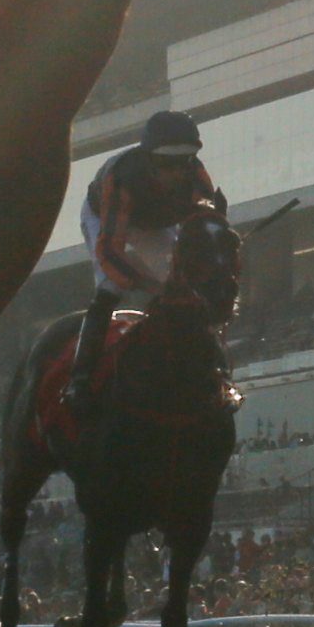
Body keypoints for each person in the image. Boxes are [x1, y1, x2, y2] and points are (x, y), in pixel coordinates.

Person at [69, 110, 223, 422]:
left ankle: (216, 370)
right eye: (167, 165)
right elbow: (111, 253)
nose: (177, 172)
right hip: (106, 217)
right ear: (150, 160)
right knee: (110, 288)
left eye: (184, 163)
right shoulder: (122, 179)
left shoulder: (198, 178)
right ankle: (79, 381)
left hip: (156, 223)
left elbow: (206, 227)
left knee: (189, 291)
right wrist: (148, 283)